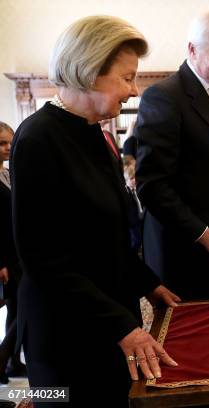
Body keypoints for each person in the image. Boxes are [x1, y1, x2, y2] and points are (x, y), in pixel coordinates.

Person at [10, 16, 180, 407]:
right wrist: (123, 326)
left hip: (107, 321)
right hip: (65, 335)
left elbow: (108, 235)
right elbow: (43, 259)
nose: (133, 91)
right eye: (127, 78)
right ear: (89, 70)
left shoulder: (97, 134)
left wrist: (147, 283)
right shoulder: (38, 139)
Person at [136, 10, 209, 301]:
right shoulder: (164, 97)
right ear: (192, 49)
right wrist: (203, 234)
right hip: (182, 251)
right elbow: (152, 185)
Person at [0, 122, 26, 384]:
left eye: (10, 141)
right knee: (19, 311)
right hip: (6, 259)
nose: (8, 147)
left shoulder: (7, 173)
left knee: (18, 309)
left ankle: (12, 362)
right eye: (2, 143)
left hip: (18, 253)